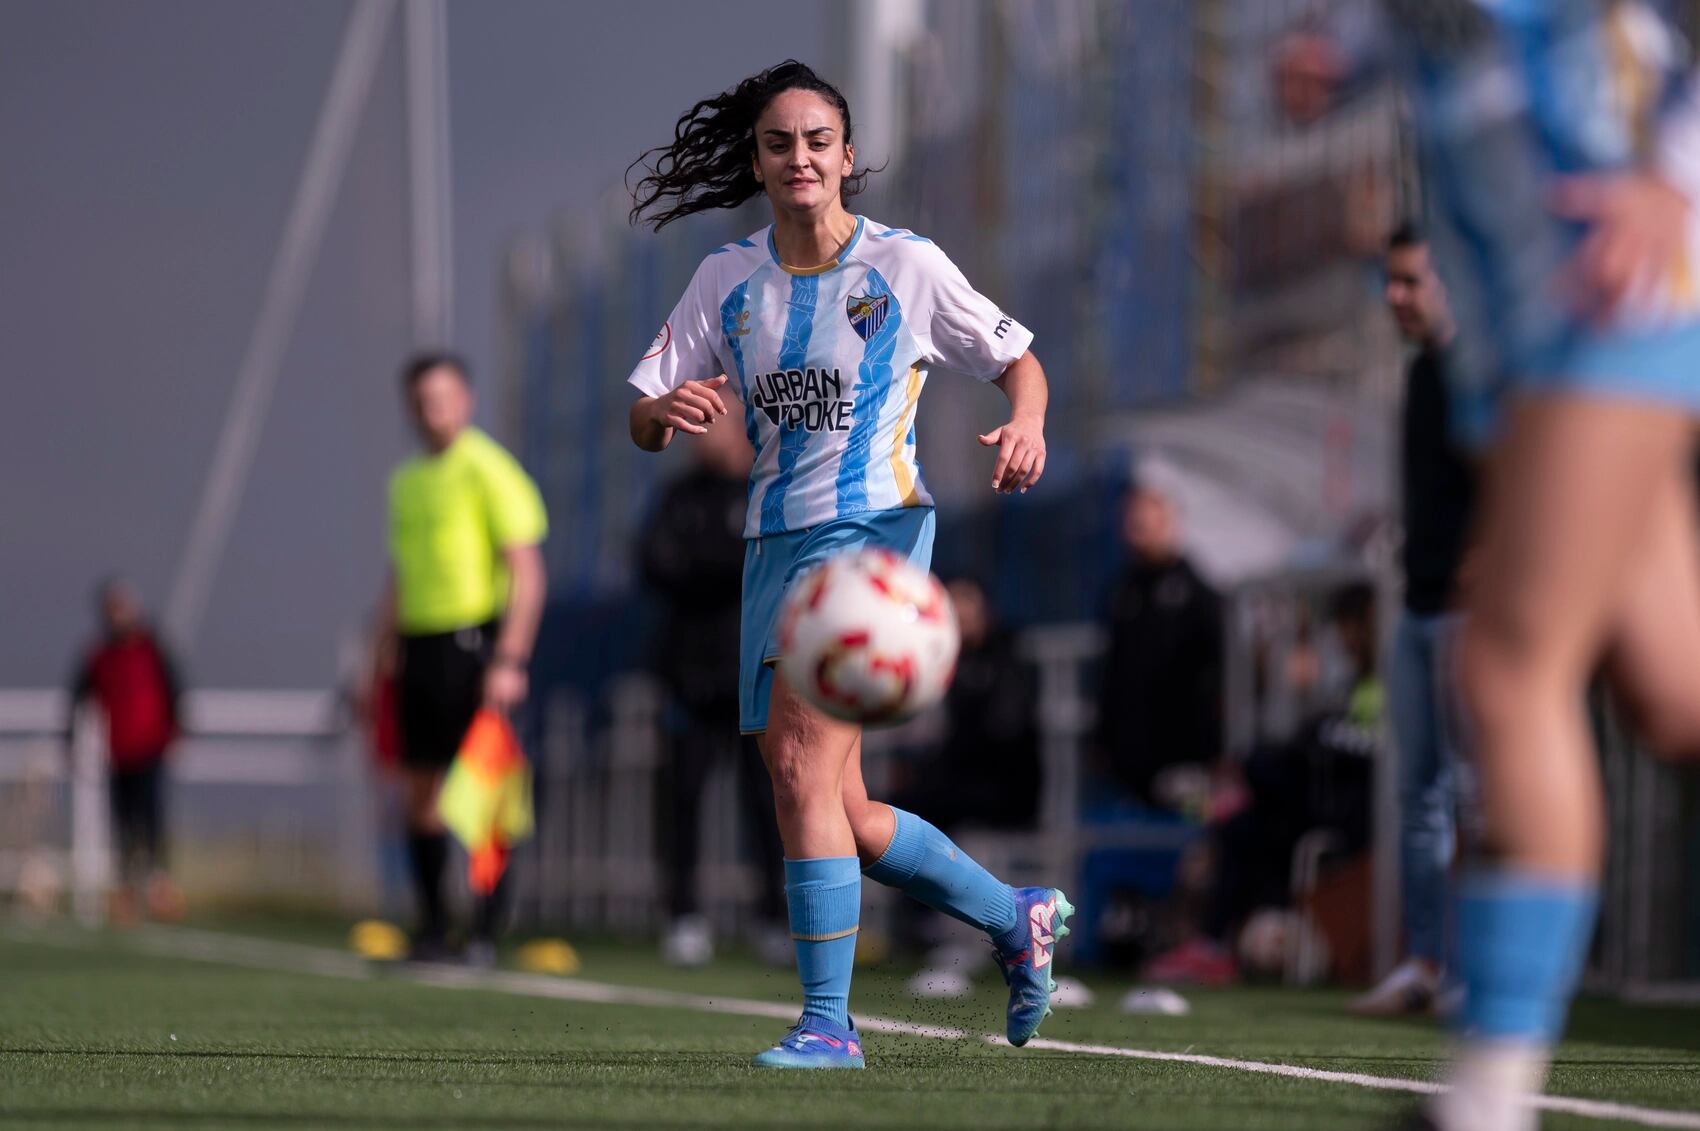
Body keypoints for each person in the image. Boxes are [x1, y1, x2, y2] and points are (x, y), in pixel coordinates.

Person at [1286, 6, 1700, 1129]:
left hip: (1609, 298)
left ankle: (1484, 1099)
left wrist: (1674, 172)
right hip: (1539, 323)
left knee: (1508, 675)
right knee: (1671, 693)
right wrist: (1341, 62)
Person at [624, 60, 1069, 1069]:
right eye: (779, 143)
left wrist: (1028, 421)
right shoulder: (725, 280)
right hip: (771, 548)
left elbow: (1015, 358)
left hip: (872, 539)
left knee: (792, 767)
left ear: (847, 156)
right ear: (757, 160)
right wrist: (663, 411)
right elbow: (642, 416)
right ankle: (1015, 919)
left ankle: (828, 1021)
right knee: (842, 806)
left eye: (817, 141)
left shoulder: (904, 266)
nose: (799, 158)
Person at [378, 351, 547, 965]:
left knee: (485, 792)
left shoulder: (489, 469)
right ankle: (431, 925)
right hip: (419, 648)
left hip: (475, 645)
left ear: (466, 401)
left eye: (443, 397)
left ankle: (484, 931)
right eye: (422, 400)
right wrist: (382, 651)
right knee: (418, 792)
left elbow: (528, 573)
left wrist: (510, 659)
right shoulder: (406, 482)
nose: (433, 410)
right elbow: (398, 578)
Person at [1349, 222, 1476, 1017]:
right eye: (1388, 281)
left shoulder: (1485, 375)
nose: (1395, 296)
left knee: (1474, 795)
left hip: (1473, 614)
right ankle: (1427, 964)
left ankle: (1477, 972)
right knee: (1419, 798)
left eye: (1410, 281)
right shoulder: (1422, 375)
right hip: (1419, 606)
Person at [637, 416, 787, 966]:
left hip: (755, 673)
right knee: (681, 800)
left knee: (766, 801)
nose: (704, 437)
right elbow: (654, 564)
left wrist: (710, 565)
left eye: (714, 424)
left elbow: (769, 569)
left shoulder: (770, 488)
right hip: (687, 677)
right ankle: (683, 917)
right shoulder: (678, 496)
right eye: (695, 428)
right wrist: (725, 564)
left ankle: (773, 917)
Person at [1096, 465, 1223, 806]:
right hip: (1129, 759)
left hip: (1183, 754)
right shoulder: (1122, 590)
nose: (1137, 527)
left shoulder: (1195, 592)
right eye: (1132, 519)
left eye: (1146, 518)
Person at [66, 578, 186, 925]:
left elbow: (176, 690)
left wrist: (176, 734)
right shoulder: (99, 656)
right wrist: (69, 741)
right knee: (123, 826)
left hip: (151, 749)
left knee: (152, 823)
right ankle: (126, 895)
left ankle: (161, 891)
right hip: (119, 753)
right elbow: (75, 699)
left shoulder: (153, 648)